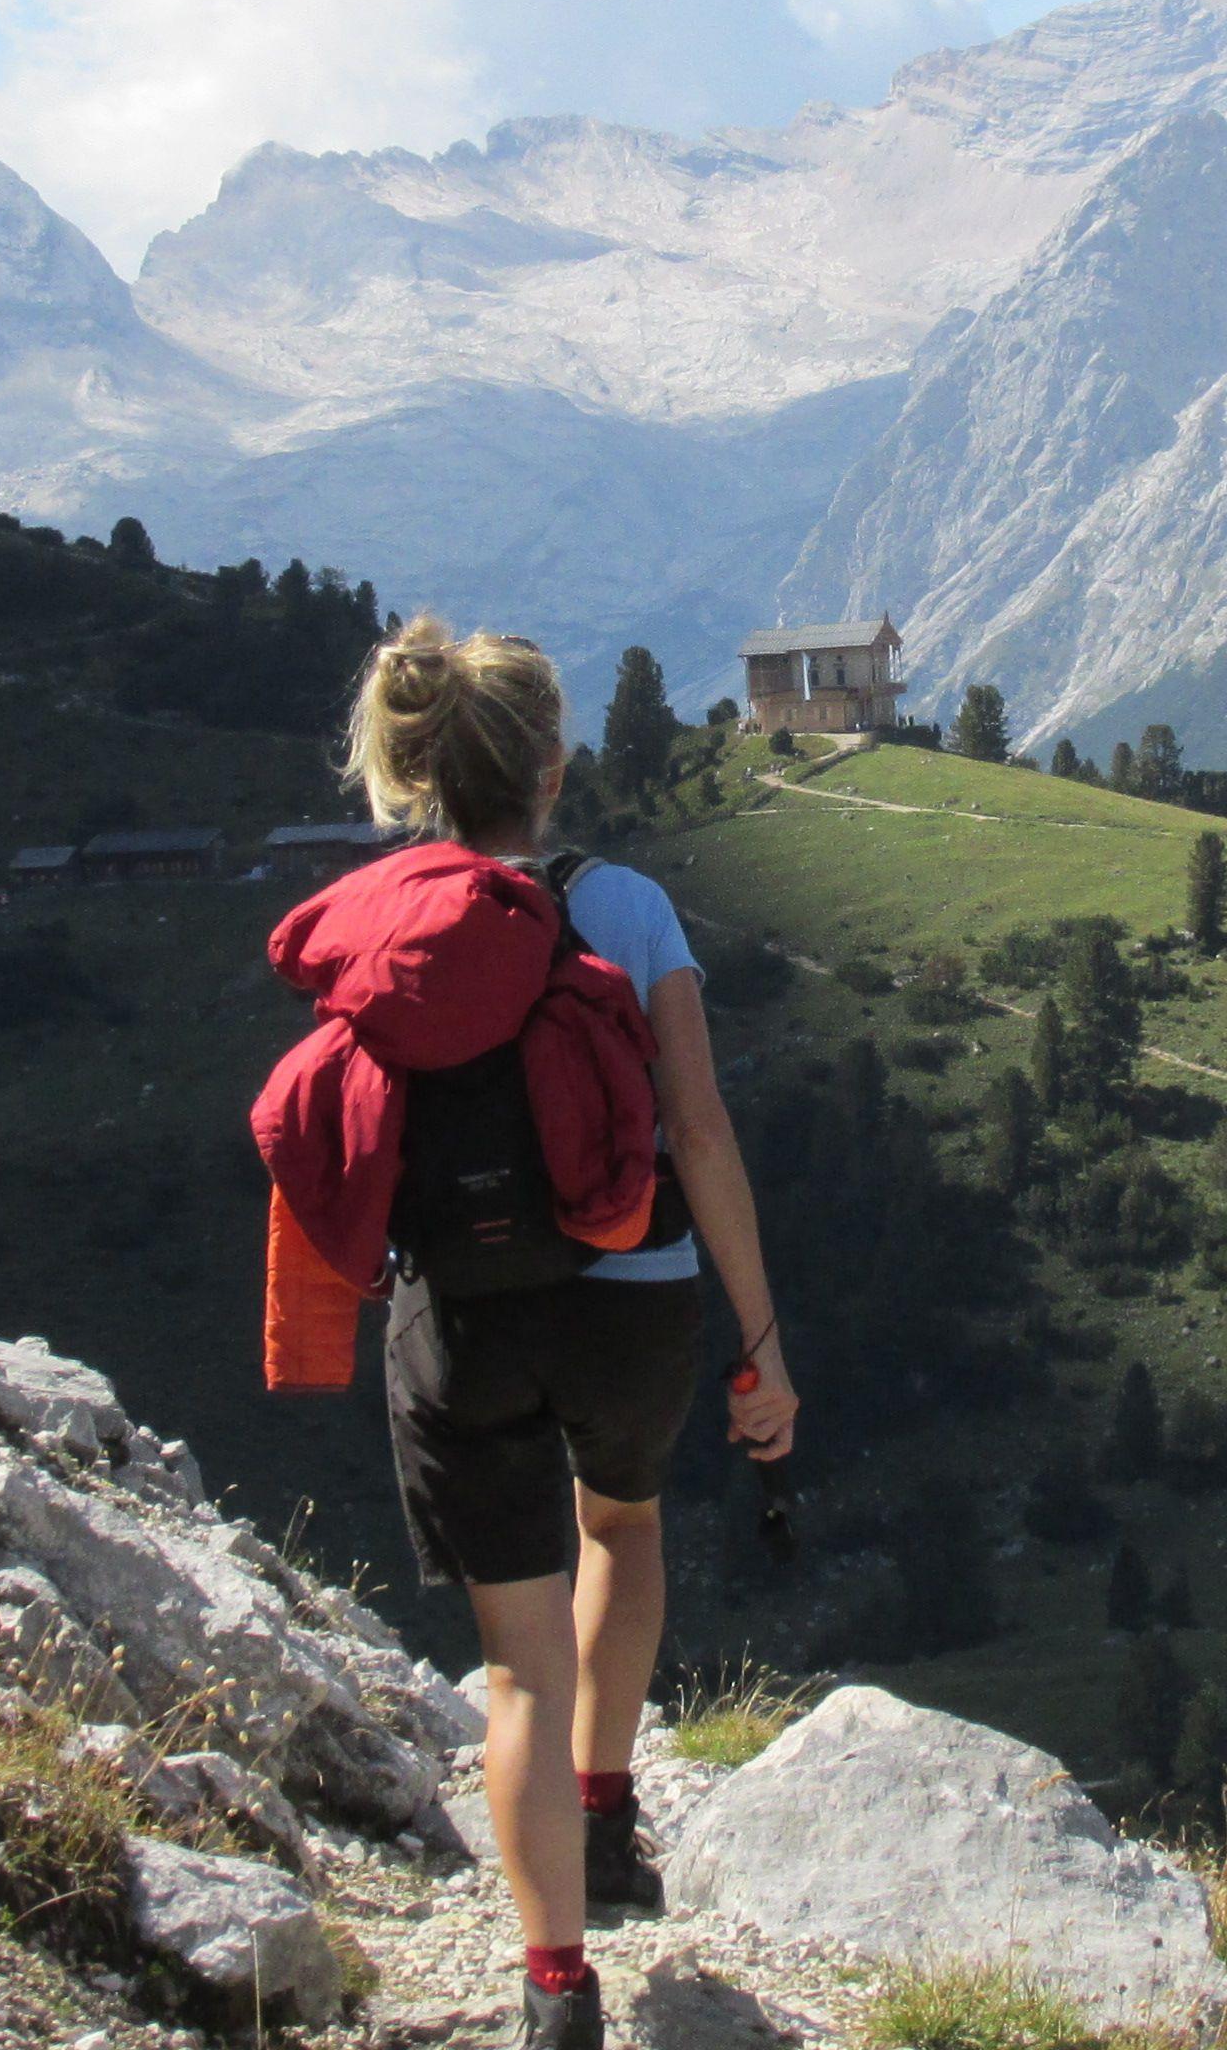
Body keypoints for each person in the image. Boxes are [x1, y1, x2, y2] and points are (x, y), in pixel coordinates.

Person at [252, 618, 798, 2050]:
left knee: (513, 1668)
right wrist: (761, 1339)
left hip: (461, 1316)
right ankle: (610, 1813)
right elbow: (699, 1130)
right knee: (620, 1526)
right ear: (553, 769)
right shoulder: (631, 910)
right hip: (636, 1294)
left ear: (426, 769)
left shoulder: (389, 921)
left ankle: (554, 1986)